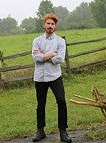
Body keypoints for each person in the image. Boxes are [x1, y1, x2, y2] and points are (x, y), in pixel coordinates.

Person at [31, 13, 72, 143]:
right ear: (44, 25)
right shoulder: (36, 41)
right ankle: (40, 131)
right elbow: (35, 58)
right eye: (48, 23)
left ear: (55, 26)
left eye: (52, 24)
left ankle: (63, 132)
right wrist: (51, 54)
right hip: (40, 78)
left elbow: (60, 59)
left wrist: (43, 56)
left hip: (55, 77)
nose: (50, 26)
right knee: (40, 105)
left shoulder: (60, 41)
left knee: (61, 101)